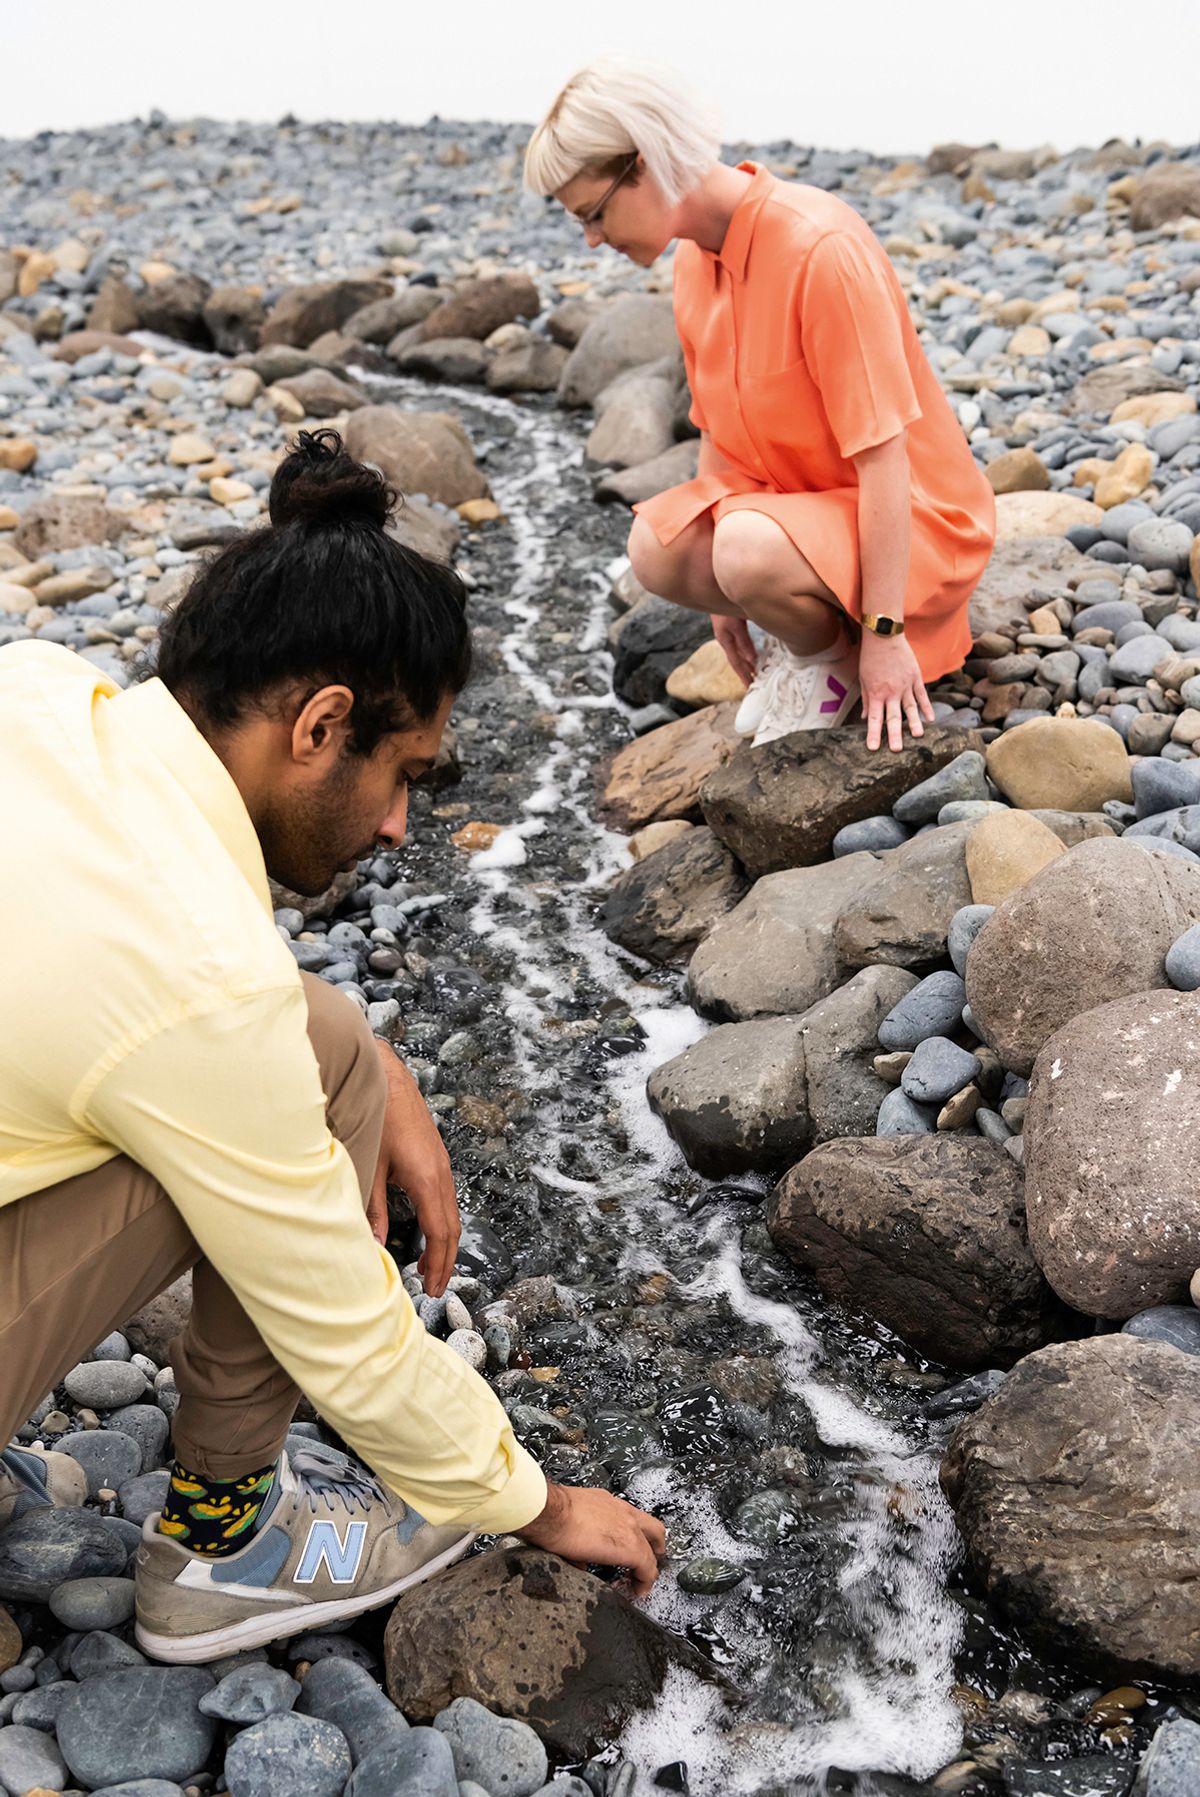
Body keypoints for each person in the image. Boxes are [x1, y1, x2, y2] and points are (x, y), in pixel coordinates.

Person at [0, 430, 664, 1664]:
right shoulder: (203, 990)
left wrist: (370, 1058)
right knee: (267, 1107)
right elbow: (343, 1327)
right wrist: (538, 1502)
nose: (404, 826)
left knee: (317, 1042)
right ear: (320, 724)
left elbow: (151, 985)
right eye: (404, 774)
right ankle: (224, 1537)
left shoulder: (39, 688)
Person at [525, 59, 996, 753]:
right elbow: (721, 435)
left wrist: (885, 636)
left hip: (917, 525)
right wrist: (731, 603)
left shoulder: (818, 247)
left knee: (743, 547)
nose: (592, 238)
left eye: (593, 214)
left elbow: (886, 459)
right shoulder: (694, 261)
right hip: (804, 521)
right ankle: (810, 645)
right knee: (653, 547)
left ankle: (837, 657)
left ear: (646, 165)